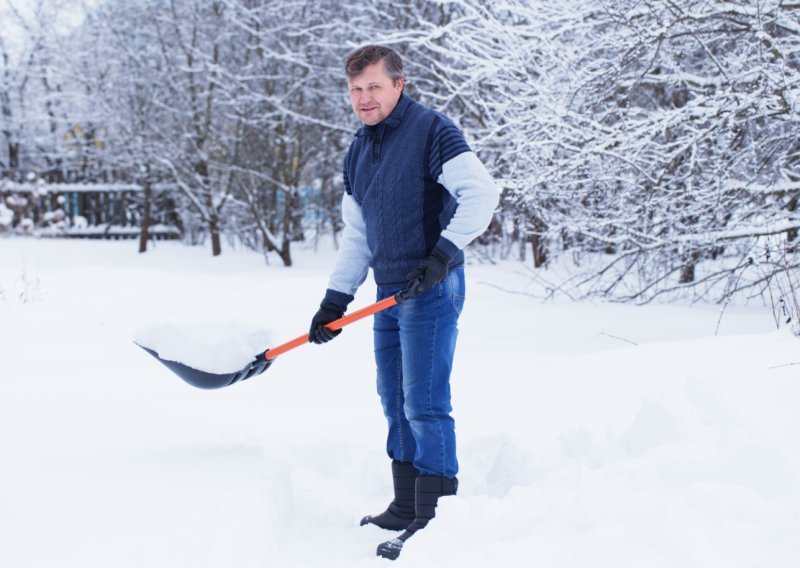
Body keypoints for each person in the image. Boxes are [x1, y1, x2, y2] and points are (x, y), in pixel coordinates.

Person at [308, 45, 499, 561]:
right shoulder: (359, 149)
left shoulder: (433, 131)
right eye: (354, 89)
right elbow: (358, 236)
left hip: (431, 287)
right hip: (388, 293)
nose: (363, 98)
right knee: (393, 399)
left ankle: (436, 514)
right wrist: (334, 300)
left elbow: (482, 194)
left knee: (425, 402)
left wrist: (441, 255)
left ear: (399, 84)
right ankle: (405, 502)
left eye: (373, 86)